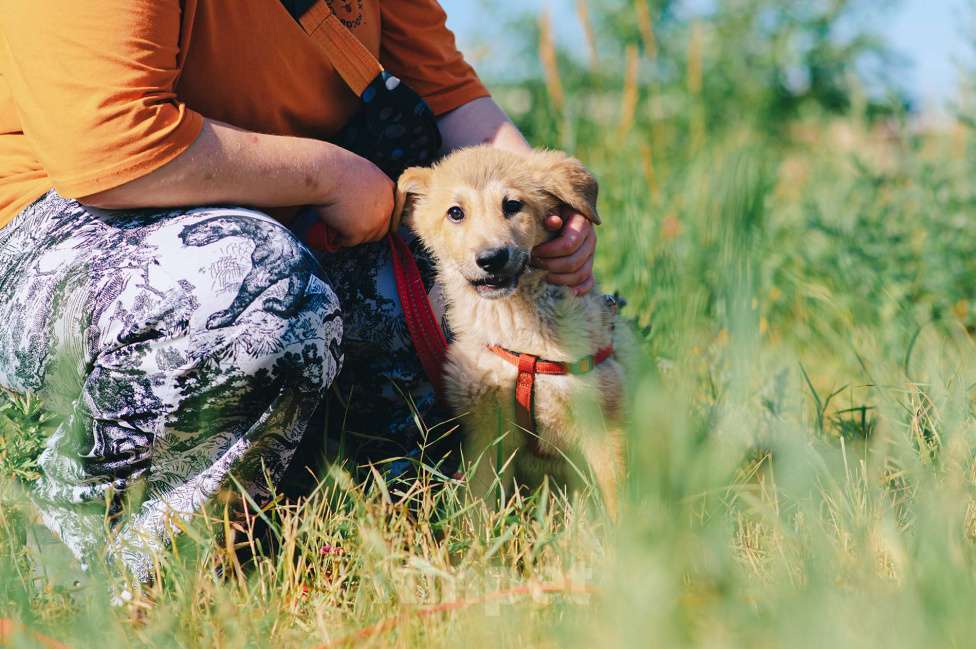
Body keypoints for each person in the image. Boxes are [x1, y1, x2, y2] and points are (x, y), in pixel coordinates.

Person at [0, 0, 598, 582]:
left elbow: (447, 92)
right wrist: (332, 175)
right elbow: (109, 143)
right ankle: (94, 565)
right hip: (63, 222)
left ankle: (319, 531)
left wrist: (548, 206)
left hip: (285, 212)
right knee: (253, 290)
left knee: (491, 315)